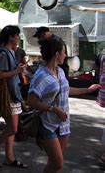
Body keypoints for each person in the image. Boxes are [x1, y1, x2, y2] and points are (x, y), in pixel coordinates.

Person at [28, 35, 101, 173]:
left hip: (63, 125)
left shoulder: (60, 71)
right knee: (58, 163)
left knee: (53, 163)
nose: (66, 55)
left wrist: (88, 89)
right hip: (48, 124)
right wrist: (53, 109)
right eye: (64, 52)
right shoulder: (41, 76)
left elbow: (66, 90)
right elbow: (31, 101)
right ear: (57, 54)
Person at [0, 25, 28, 168]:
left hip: (11, 94)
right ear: (11, 37)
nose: (19, 38)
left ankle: (9, 157)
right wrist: (17, 70)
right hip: (7, 94)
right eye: (17, 35)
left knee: (11, 128)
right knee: (12, 128)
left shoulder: (8, 52)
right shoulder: (4, 54)